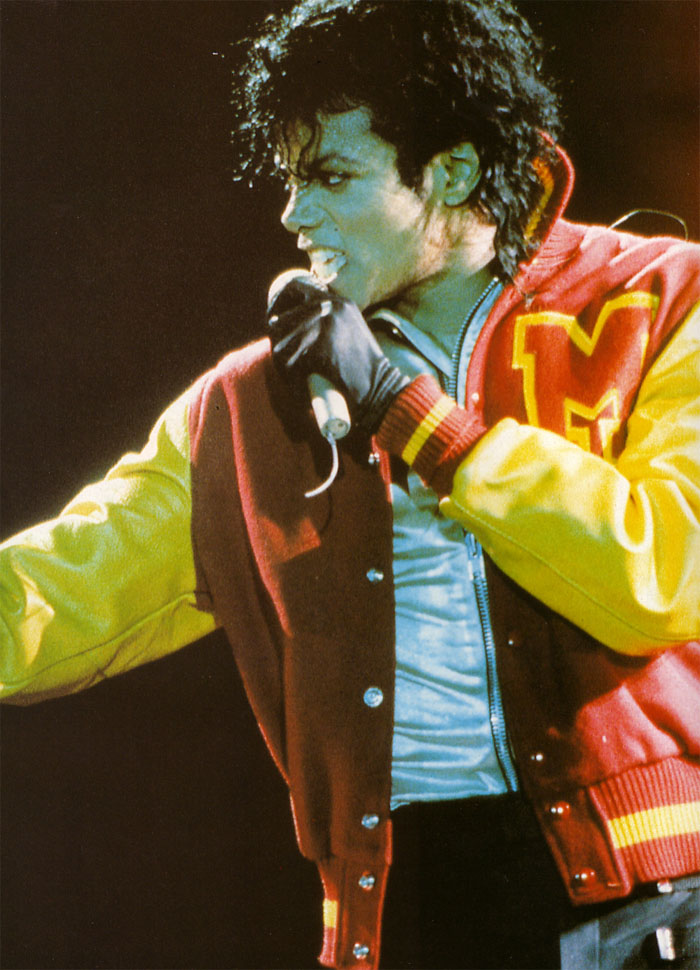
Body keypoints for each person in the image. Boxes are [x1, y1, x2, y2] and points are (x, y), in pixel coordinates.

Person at [2, 1, 699, 967]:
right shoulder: (250, 403)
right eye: (291, 179)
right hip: (402, 909)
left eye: (330, 176)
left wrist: (403, 410)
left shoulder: (662, 300)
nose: (294, 215)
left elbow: (665, 571)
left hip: (646, 902)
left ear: (453, 170)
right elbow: (54, 594)